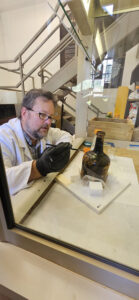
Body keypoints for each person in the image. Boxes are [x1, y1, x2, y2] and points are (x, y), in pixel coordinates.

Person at [0, 89, 72, 195]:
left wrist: (59, 150)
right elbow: (3, 179)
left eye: (50, 116)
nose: (48, 122)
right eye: (42, 115)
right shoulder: (3, 137)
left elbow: (65, 135)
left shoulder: (42, 131)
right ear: (24, 113)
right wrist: (37, 168)